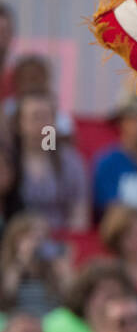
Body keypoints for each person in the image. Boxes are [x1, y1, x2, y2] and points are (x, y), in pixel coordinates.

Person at [13, 90, 89, 231]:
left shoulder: (71, 161)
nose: (42, 124)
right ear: (19, 123)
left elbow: (79, 213)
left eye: (47, 117)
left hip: (60, 241)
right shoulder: (8, 161)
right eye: (35, 117)